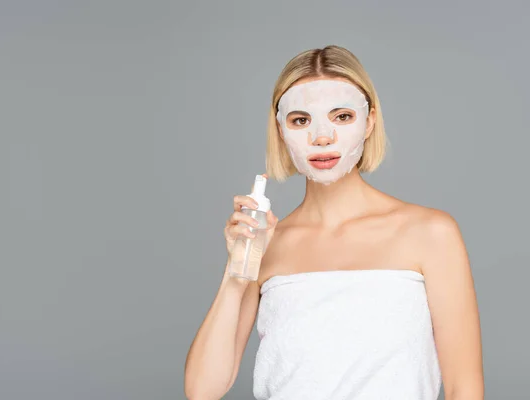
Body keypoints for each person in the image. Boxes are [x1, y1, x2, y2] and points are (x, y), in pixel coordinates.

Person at [184, 45, 484, 400]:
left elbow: (465, 387)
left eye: (342, 116)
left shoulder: (430, 233)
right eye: (301, 120)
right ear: (281, 129)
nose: (321, 137)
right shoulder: (267, 245)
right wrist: (237, 271)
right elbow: (202, 390)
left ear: (370, 121)